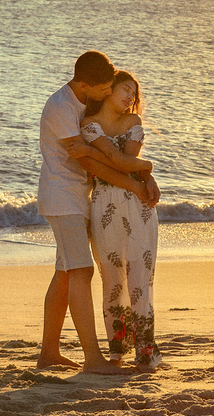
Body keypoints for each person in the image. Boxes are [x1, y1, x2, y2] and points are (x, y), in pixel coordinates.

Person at [37, 51, 159, 374]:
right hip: (63, 199)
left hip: (77, 198)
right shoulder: (63, 108)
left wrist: (144, 173)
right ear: (84, 84)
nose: (109, 92)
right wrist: (137, 179)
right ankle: (93, 359)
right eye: (104, 88)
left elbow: (107, 154)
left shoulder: (82, 105)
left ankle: (49, 352)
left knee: (65, 273)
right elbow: (91, 163)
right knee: (82, 271)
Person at [81, 70, 161, 371]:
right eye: (125, 90)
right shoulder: (88, 124)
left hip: (139, 206)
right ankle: (117, 350)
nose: (130, 97)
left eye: (134, 94)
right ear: (108, 90)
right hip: (104, 207)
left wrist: (141, 168)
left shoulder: (133, 123)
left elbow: (122, 161)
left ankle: (145, 353)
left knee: (141, 280)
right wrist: (147, 168)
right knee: (112, 279)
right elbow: (118, 163)